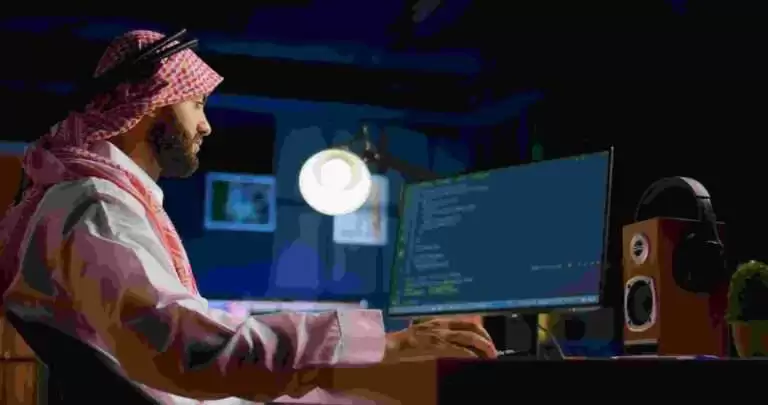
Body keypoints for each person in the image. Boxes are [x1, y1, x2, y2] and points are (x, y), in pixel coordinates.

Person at [0, 30, 496, 404]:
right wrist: (390, 344)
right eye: (196, 105)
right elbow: (188, 349)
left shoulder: (93, 199)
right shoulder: (96, 207)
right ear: (152, 107)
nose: (207, 125)